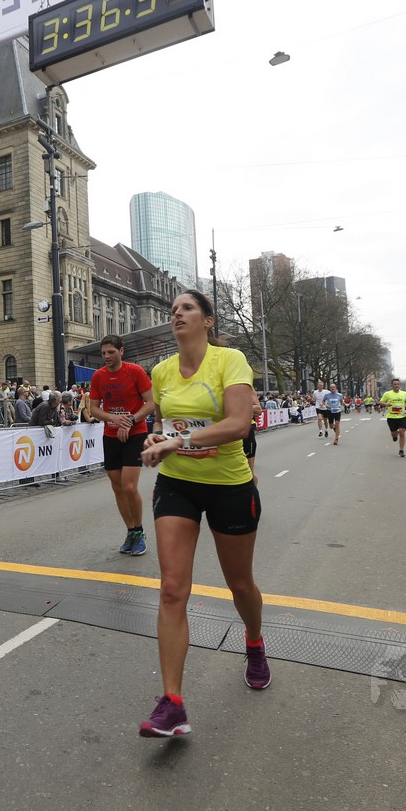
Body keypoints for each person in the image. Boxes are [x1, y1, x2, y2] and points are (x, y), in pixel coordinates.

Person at [137, 291, 267, 738]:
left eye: (187, 308)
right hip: (177, 484)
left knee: (240, 585)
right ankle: (172, 703)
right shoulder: (161, 371)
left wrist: (180, 441)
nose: (177, 313)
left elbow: (238, 424)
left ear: (208, 320)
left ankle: (254, 641)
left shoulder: (230, 360)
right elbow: (165, 424)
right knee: (172, 589)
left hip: (230, 485)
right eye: (173, 309)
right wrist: (158, 440)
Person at [89, 335, 155, 556]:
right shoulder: (98, 376)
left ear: (121, 351)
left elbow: (151, 403)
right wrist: (114, 419)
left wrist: (130, 420)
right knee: (117, 487)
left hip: (135, 433)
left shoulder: (135, 371)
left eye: (111, 352)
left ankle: (140, 531)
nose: (107, 356)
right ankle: (131, 531)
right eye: (103, 353)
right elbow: (94, 409)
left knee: (128, 486)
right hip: (111, 435)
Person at [380, 378, 406, 458]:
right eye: (395, 384)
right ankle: (394, 436)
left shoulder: (404, 393)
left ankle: (401, 450)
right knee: (393, 433)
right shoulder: (387, 394)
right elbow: (381, 402)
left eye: (398, 384)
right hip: (392, 416)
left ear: (400, 385)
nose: (396, 385)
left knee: (402, 432)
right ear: (392, 385)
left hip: (402, 415)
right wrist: (386, 404)